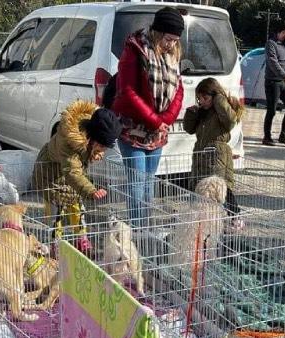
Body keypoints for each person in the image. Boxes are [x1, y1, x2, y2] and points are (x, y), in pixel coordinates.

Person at [111, 6, 185, 228]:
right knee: (137, 181)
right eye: (168, 38)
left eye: (175, 40)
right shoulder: (135, 50)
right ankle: (137, 229)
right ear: (158, 32)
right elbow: (128, 92)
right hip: (132, 129)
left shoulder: (172, 55)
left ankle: (145, 225)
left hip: (158, 132)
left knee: (149, 182)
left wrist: (167, 120)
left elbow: (178, 90)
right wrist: (156, 120)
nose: (171, 44)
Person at [32, 101, 121, 251]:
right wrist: (91, 190)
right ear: (94, 139)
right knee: (56, 210)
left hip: (69, 175)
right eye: (102, 146)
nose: (104, 150)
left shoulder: (90, 131)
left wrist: (94, 152)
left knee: (77, 206)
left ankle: (81, 238)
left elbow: (76, 170)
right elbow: (73, 172)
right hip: (50, 175)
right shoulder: (69, 142)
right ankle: (56, 242)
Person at [183, 78, 246, 229]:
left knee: (221, 188)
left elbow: (230, 120)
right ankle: (199, 218)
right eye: (199, 98)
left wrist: (219, 99)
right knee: (199, 187)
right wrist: (191, 114)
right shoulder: (203, 113)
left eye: (206, 98)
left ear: (215, 96)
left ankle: (235, 216)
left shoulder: (222, 111)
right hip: (201, 154)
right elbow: (189, 129)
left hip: (217, 155)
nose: (202, 101)